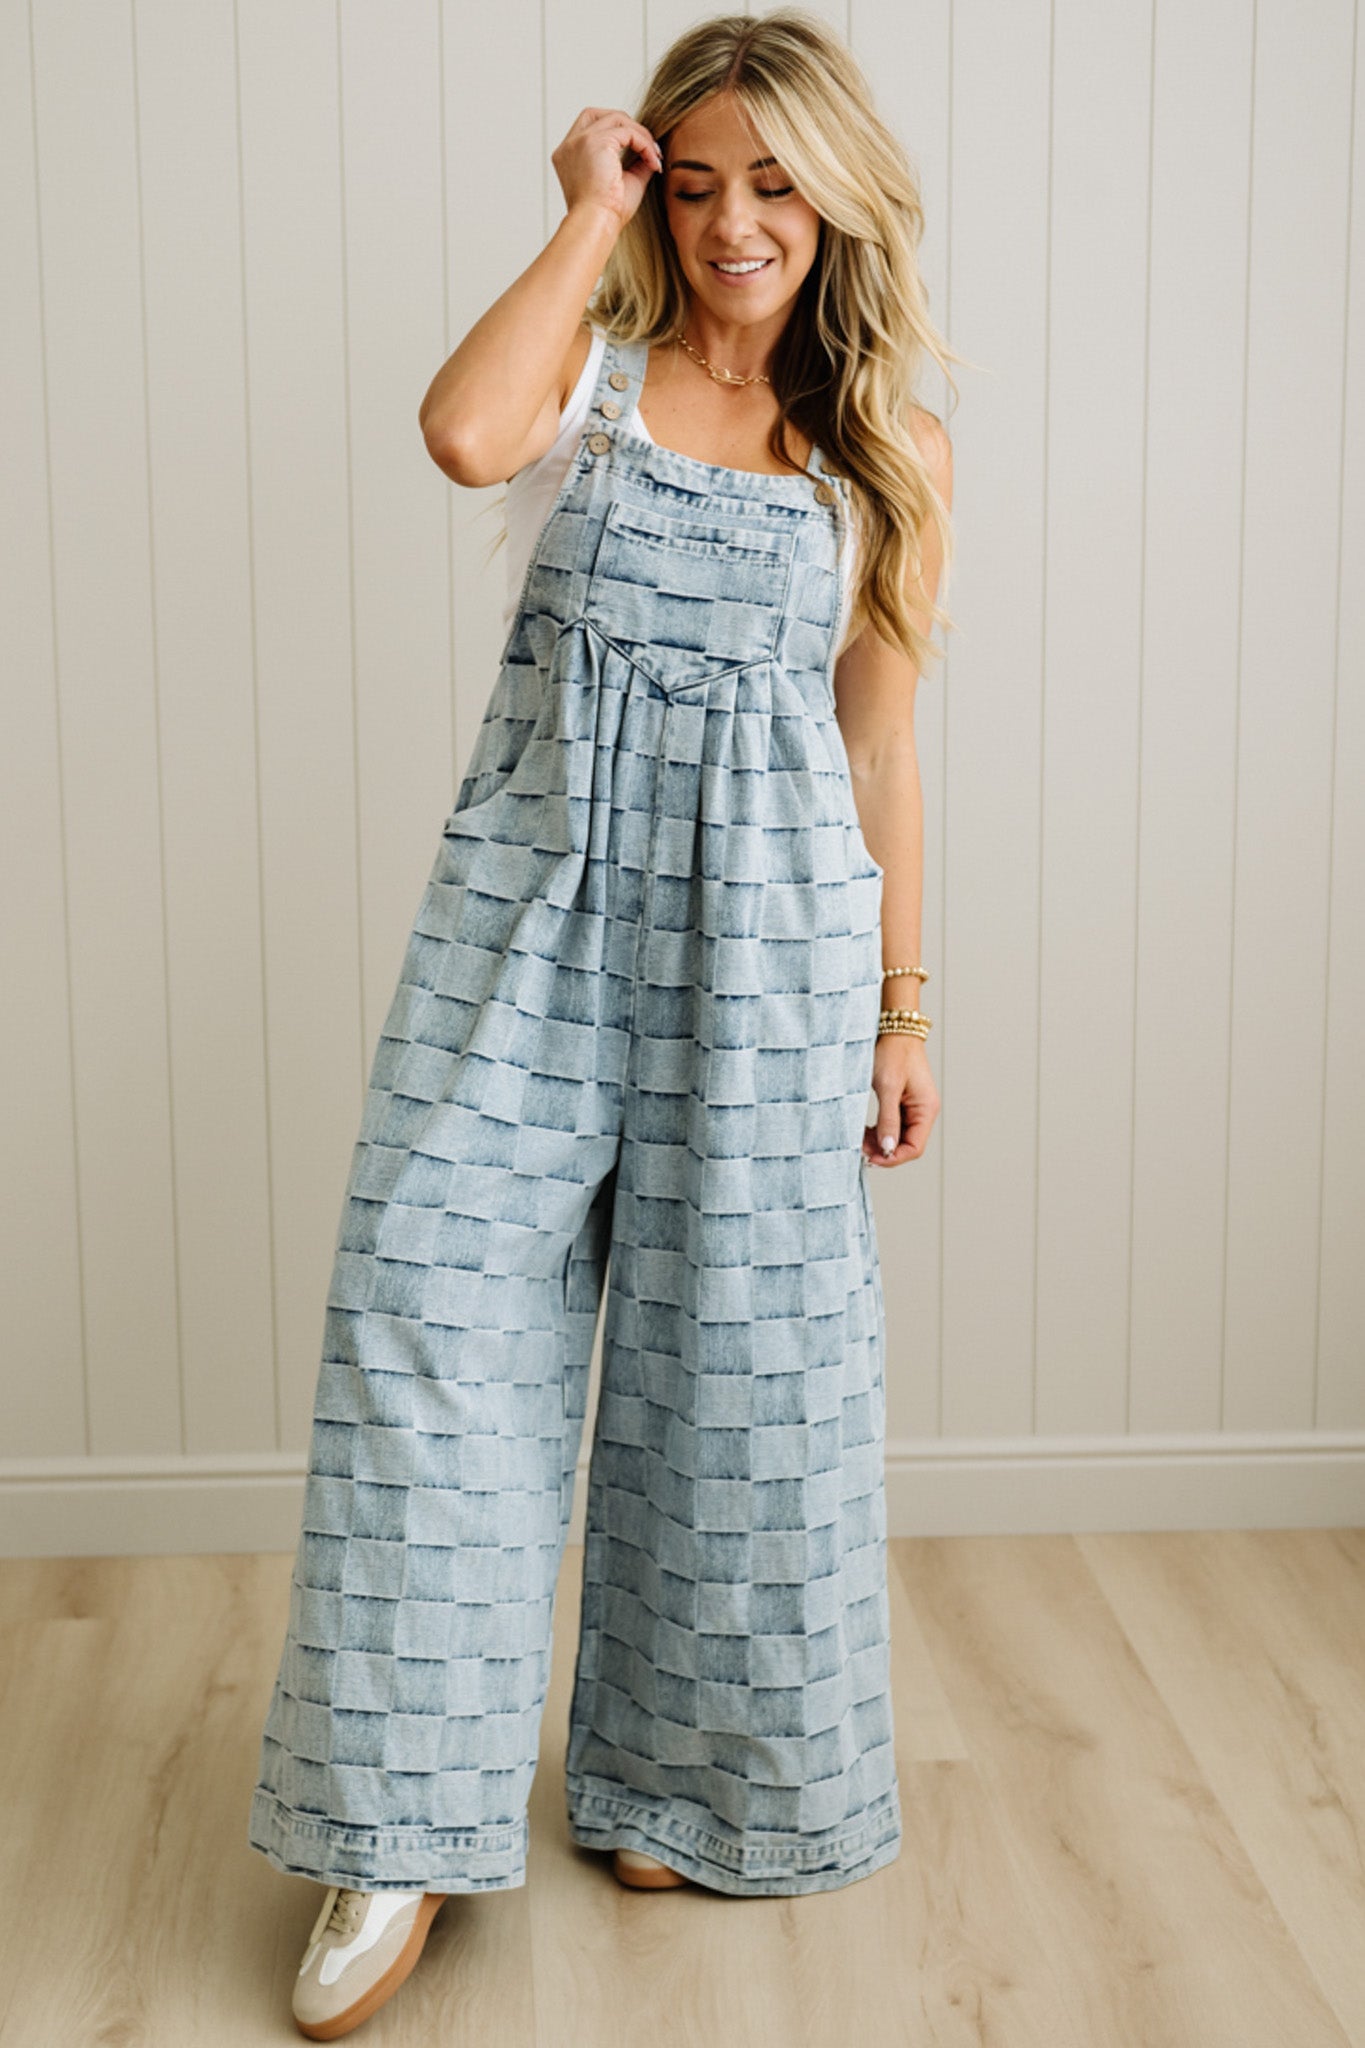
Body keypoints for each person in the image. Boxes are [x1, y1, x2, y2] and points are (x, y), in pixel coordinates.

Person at [248, 8, 957, 2037]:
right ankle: (394, 1825)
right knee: (421, 1317)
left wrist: (905, 1004)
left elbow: (882, 748)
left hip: (775, 955)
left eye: (772, 180)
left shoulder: (882, 447)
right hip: (526, 927)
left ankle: (684, 1774)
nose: (736, 220)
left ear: (835, 193)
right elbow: (460, 433)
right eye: (697, 175)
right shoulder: (590, 382)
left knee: (737, 1373)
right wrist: (585, 212)